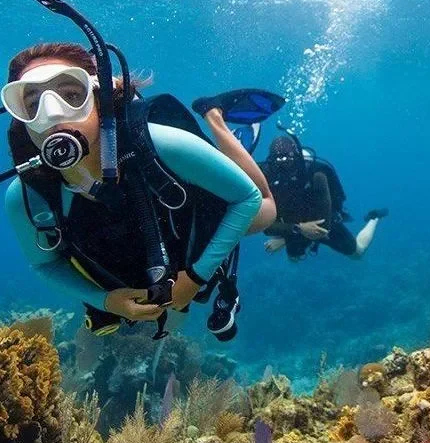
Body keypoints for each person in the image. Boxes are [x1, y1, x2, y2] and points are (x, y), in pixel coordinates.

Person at [3, 41, 272, 341]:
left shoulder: (162, 143)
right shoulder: (26, 196)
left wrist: (195, 277)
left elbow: (247, 198)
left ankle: (215, 118)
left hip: (199, 216)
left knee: (267, 210)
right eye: (32, 103)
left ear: (99, 98)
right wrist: (106, 301)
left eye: (71, 95)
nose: (51, 115)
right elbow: (45, 264)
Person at [259, 133, 388, 261]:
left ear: (297, 159)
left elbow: (323, 226)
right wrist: (295, 230)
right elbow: (262, 222)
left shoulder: (316, 174)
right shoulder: (266, 176)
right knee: (294, 258)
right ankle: (293, 239)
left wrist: (287, 237)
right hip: (295, 224)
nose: (284, 169)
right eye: (278, 164)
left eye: (288, 162)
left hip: (321, 219)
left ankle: (374, 217)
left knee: (358, 253)